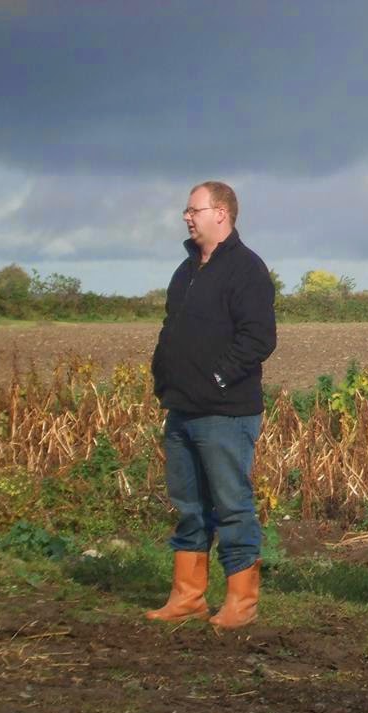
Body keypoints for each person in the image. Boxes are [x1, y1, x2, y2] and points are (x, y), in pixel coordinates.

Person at [147, 180, 276, 630]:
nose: (187, 216)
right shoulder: (185, 271)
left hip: (226, 413)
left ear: (221, 213)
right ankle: (188, 597)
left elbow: (259, 338)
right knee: (189, 506)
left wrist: (217, 378)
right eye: (186, 210)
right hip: (181, 409)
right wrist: (163, 374)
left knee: (232, 504)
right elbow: (170, 328)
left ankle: (241, 602)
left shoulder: (247, 269)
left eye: (194, 209)